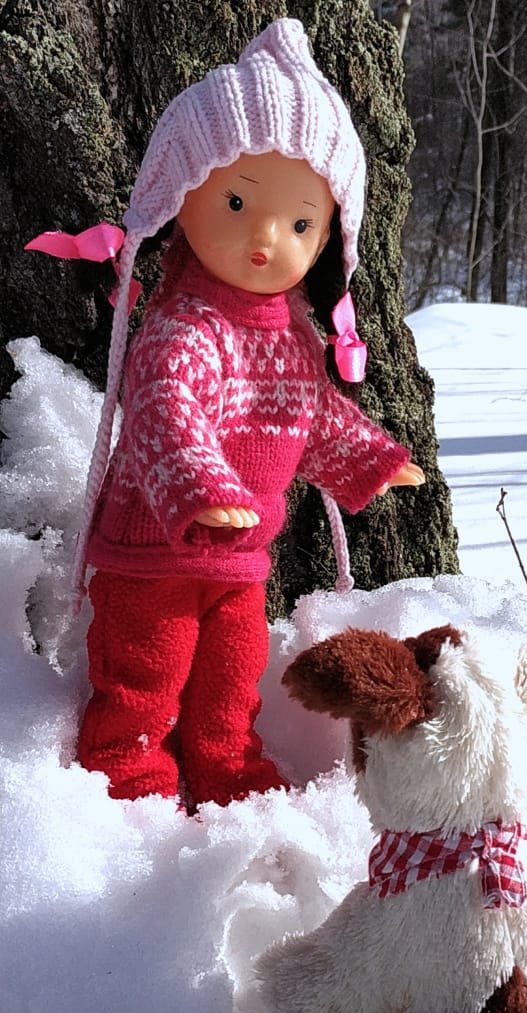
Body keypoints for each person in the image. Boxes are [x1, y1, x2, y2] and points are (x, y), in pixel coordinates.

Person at [29, 18, 424, 808]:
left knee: (229, 687)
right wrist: (198, 486)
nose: (265, 237)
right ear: (181, 197)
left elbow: (312, 418)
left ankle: (226, 773)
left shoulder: (290, 335)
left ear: (328, 240)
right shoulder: (187, 325)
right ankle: (128, 787)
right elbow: (163, 410)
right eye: (238, 202)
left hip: (241, 568)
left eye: (300, 223)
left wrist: (373, 459)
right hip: (152, 558)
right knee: (142, 684)